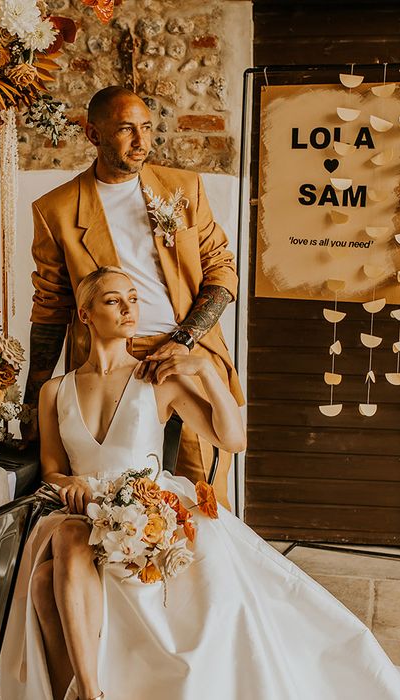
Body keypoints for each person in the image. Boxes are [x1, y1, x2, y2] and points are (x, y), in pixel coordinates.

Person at [0, 268, 400, 700]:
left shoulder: (157, 378)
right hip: (83, 513)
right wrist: (71, 484)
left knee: (60, 553)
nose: (129, 308)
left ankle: (87, 691)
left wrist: (206, 369)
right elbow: (52, 467)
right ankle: (85, 689)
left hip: (152, 515)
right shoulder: (55, 391)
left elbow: (232, 439)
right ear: (85, 314)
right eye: (113, 300)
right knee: (49, 570)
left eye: (133, 298)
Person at [22, 85, 243, 509]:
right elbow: (51, 304)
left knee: (203, 498)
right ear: (93, 135)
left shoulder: (183, 188)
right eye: (126, 130)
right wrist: (34, 400)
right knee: (117, 496)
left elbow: (221, 270)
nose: (142, 142)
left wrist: (185, 341)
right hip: (108, 363)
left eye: (146, 128)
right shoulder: (56, 209)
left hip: (186, 353)